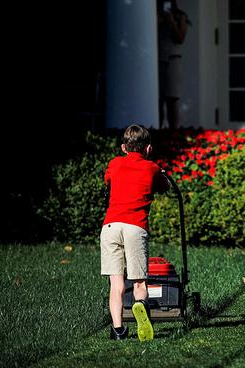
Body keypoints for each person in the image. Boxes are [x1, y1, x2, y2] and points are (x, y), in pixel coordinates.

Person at [101, 124, 170, 340]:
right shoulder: (151, 168)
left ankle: (118, 330)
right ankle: (140, 305)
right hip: (135, 226)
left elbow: (108, 181)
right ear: (148, 148)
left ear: (124, 147)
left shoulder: (114, 163)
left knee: (116, 283)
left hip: (110, 226)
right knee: (139, 281)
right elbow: (164, 187)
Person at [157, 0, 190, 129]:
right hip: (157, 61)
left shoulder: (180, 17)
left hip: (172, 60)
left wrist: (172, 22)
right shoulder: (155, 16)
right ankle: (156, 129)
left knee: (171, 99)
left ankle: (173, 132)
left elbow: (180, 38)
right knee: (157, 99)